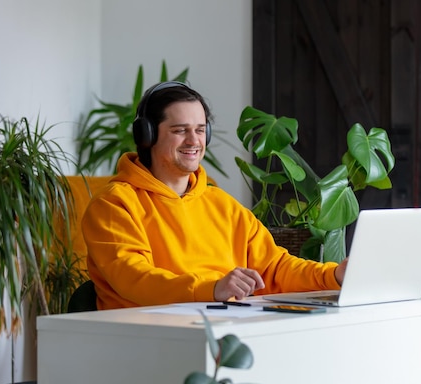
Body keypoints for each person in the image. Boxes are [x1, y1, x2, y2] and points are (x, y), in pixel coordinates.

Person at [82, 81, 347, 310]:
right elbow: (136, 279)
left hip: (222, 328)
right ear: (147, 136)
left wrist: (334, 275)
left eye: (199, 130)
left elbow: (275, 269)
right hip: (145, 337)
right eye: (179, 130)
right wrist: (211, 288)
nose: (193, 141)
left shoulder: (222, 205)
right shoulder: (114, 204)